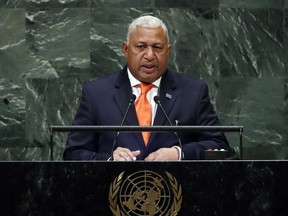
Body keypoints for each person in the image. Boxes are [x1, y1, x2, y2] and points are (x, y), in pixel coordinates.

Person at [63, 15, 229, 161]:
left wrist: (179, 153)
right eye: (141, 47)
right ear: (126, 50)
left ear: (168, 51)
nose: (149, 56)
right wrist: (109, 159)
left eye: (157, 48)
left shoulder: (193, 92)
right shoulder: (96, 93)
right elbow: (73, 152)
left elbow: (220, 146)